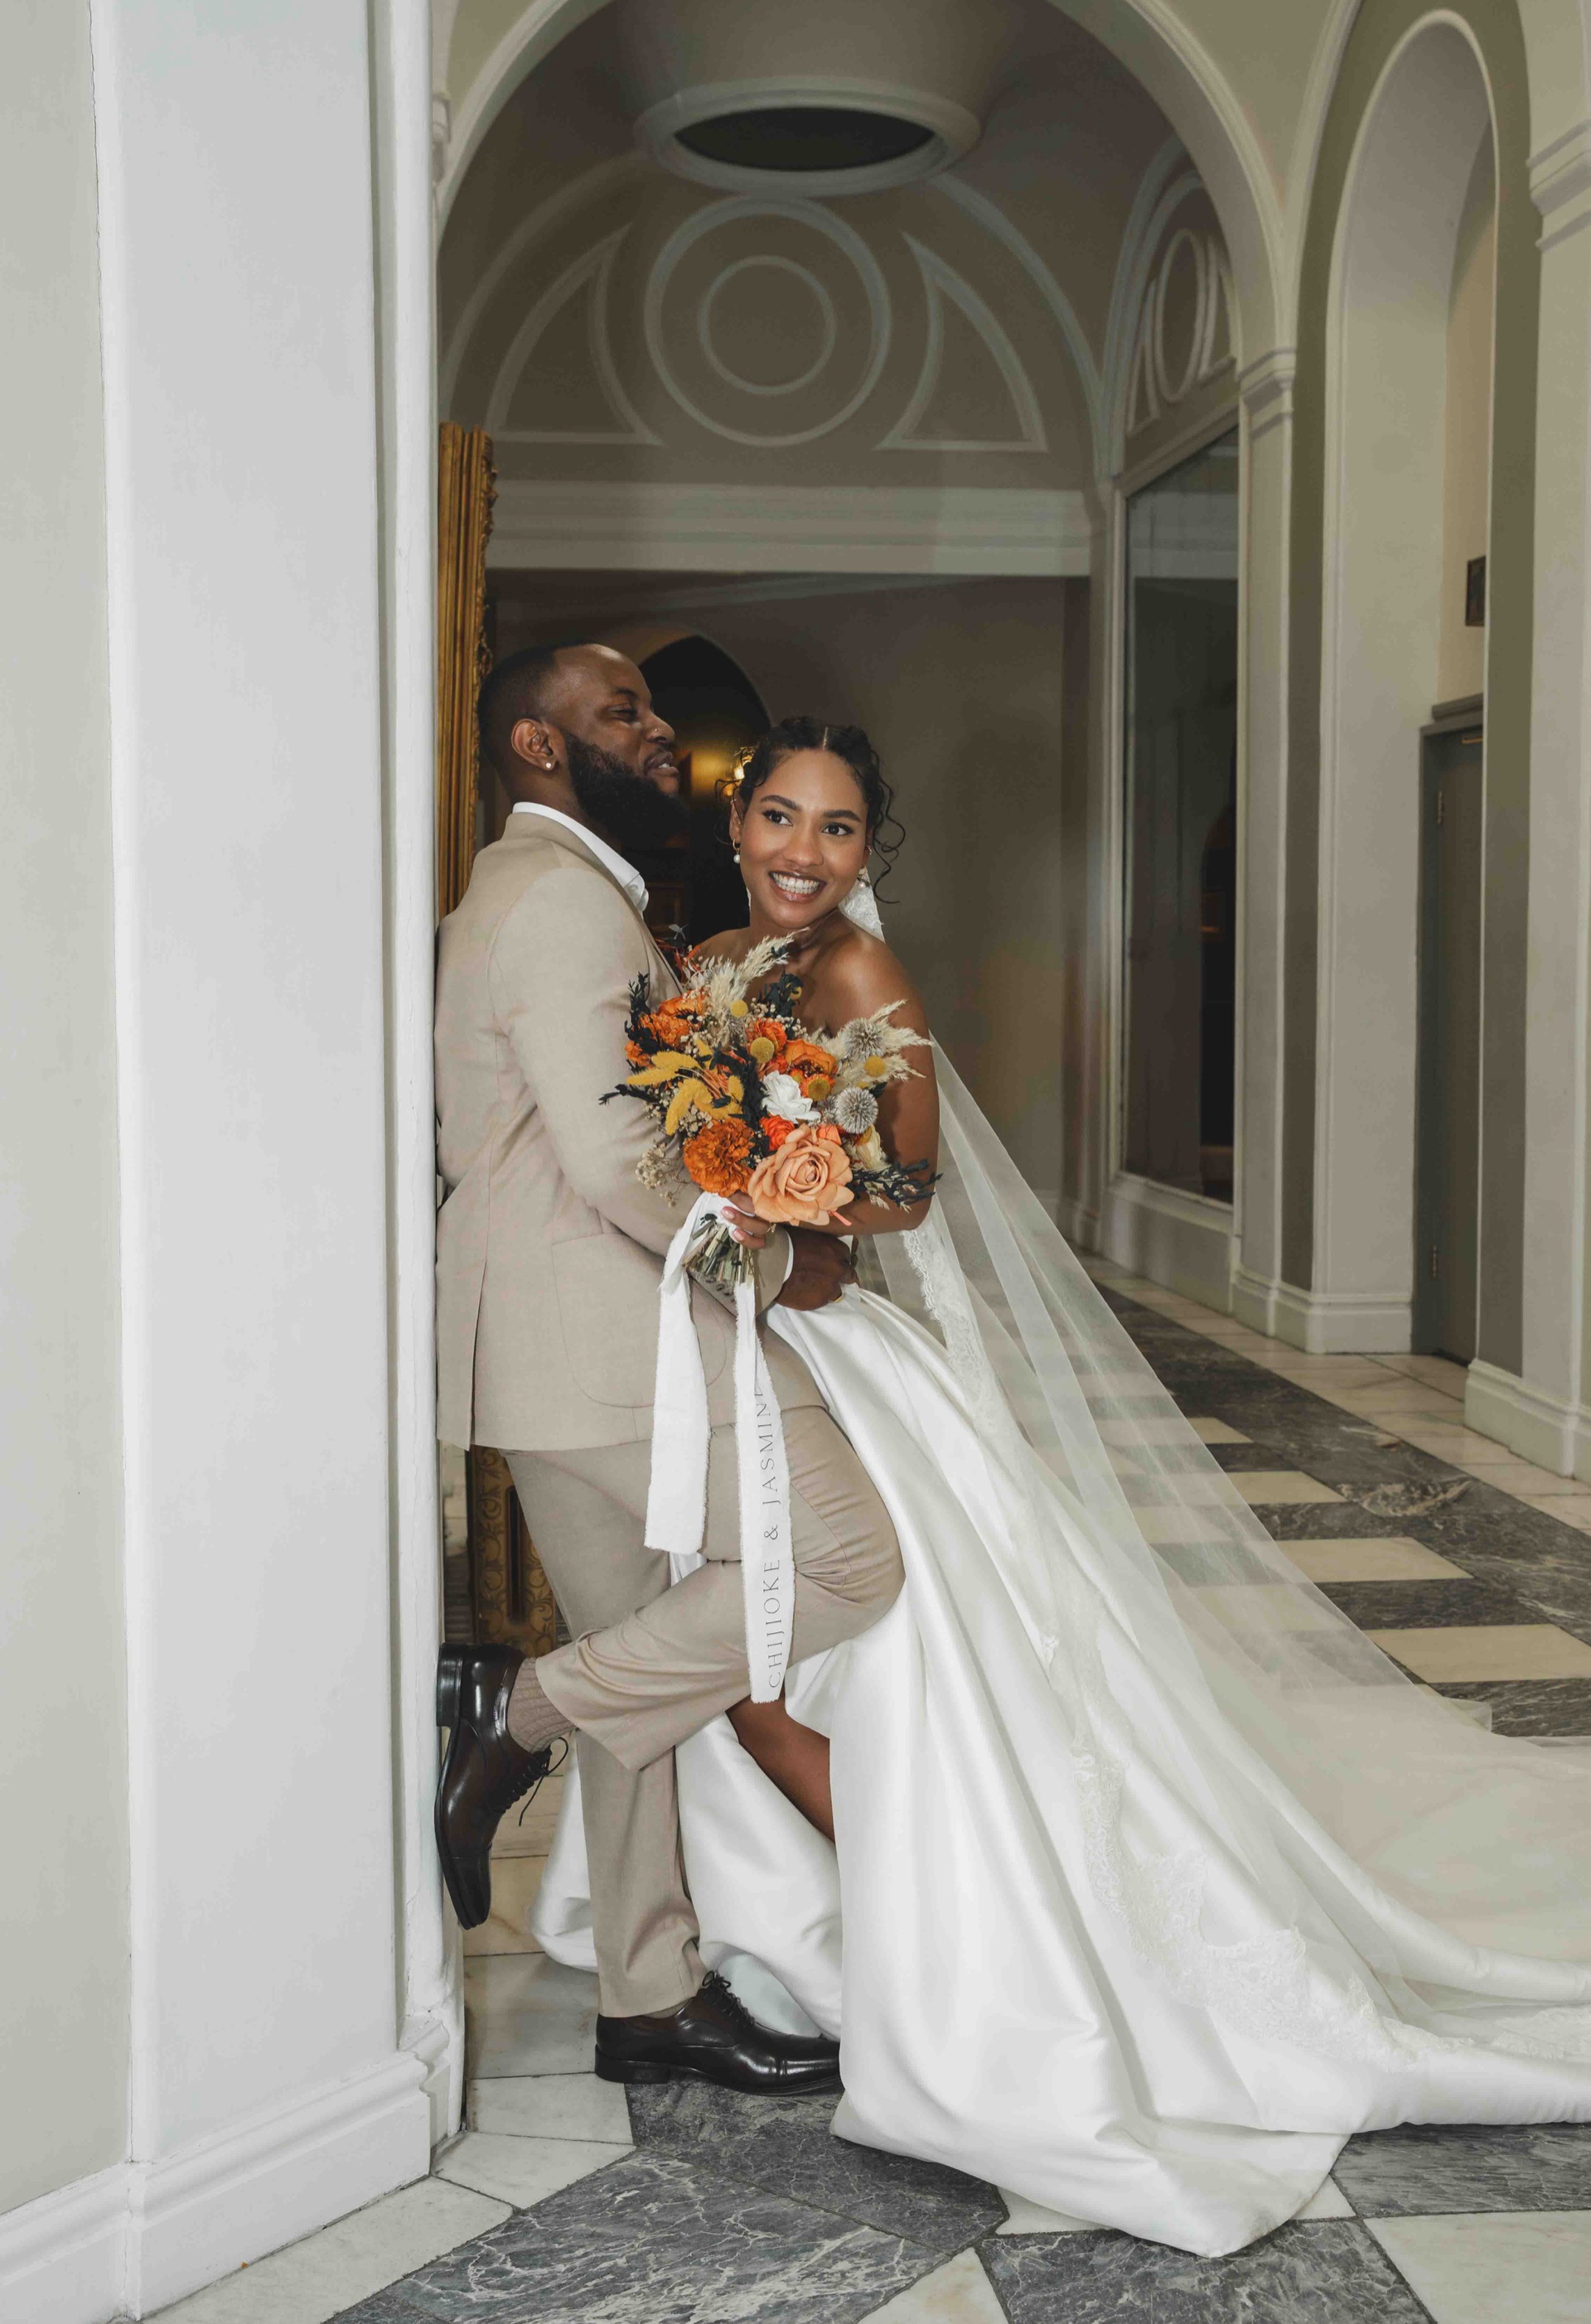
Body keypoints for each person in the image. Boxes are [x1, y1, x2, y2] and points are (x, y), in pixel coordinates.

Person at [530, 713, 1591, 2259]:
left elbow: (914, 1180)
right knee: (759, 1648)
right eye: (778, 818)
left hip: (834, 1348)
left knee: (822, 1651)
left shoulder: (860, 979)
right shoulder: (692, 970)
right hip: (718, 1346)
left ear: (865, 849)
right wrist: (727, 1190)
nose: (800, 855)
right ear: (737, 820)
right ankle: (799, 1938)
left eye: (834, 830)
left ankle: (961, 1935)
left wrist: (808, 1207)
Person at [431, 647, 904, 2098]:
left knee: (637, 1659)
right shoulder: (562, 904)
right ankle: (508, 1716)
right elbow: (621, 1160)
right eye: (621, 714)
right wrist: (767, 1267)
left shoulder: (543, 894)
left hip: (550, 1347)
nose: (660, 736)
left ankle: (648, 1996)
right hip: (614, 1340)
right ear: (538, 743)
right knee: (847, 1560)